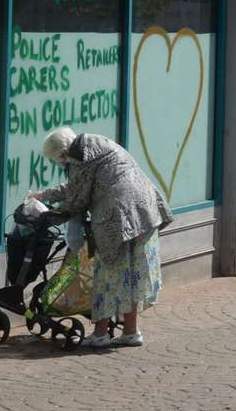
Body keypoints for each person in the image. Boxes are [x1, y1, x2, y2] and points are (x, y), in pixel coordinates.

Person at [28, 128, 173, 348]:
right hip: (145, 212)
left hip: (119, 220)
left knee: (108, 275)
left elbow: (77, 198)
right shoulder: (98, 145)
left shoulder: (79, 159)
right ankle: (131, 331)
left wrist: (51, 212)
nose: (60, 163)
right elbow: (77, 186)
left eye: (57, 159)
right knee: (132, 275)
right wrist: (46, 194)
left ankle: (100, 334)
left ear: (62, 154)